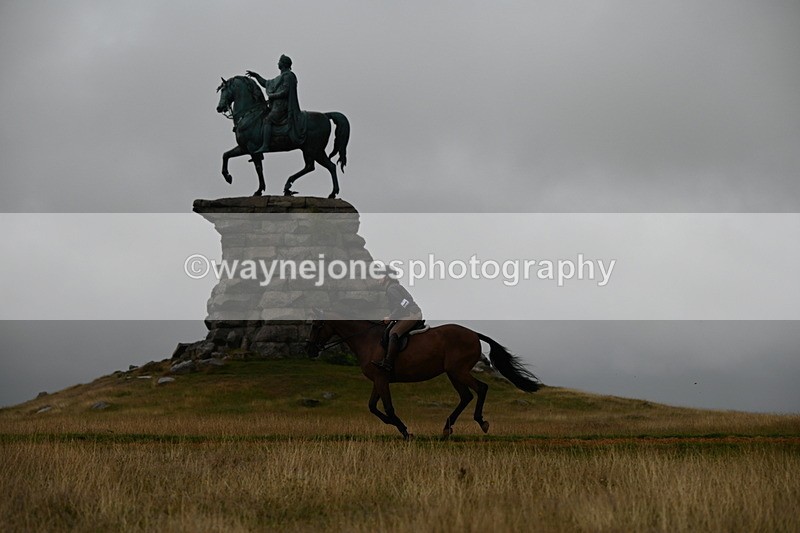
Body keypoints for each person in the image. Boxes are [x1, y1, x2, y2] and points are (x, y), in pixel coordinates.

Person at [246, 54, 306, 152]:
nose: (278, 63)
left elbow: (285, 91)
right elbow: (266, 83)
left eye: (279, 61)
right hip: (276, 106)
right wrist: (256, 76)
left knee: (267, 120)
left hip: (283, 107)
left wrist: (273, 96)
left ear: (283, 64)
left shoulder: (288, 76)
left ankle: (265, 145)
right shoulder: (280, 77)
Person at [372, 273, 423, 372]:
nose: (377, 279)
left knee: (393, 332)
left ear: (386, 277)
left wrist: (390, 317)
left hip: (411, 314)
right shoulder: (393, 287)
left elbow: (401, 306)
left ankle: (388, 363)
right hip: (409, 313)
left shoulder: (392, 289)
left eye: (379, 277)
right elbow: (402, 304)